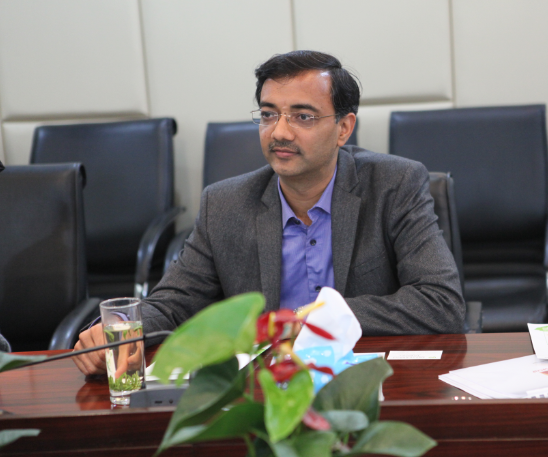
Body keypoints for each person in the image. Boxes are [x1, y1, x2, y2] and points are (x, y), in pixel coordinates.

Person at [73, 50, 465, 376]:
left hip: (370, 381)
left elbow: (441, 301)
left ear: (344, 128)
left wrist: (315, 318)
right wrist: (120, 329)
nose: (279, 132)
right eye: (268, 114)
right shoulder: (224, 205)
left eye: (302, 116)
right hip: (263, 389)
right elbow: (172, 304)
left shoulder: (394, 185)